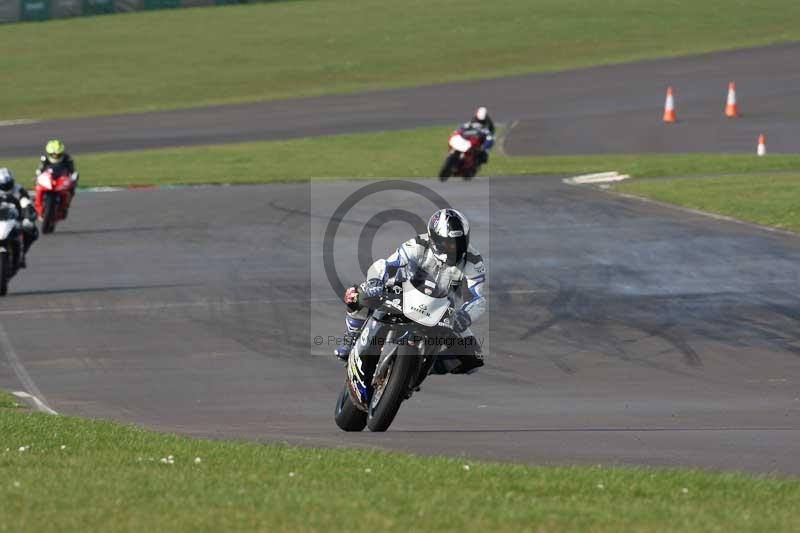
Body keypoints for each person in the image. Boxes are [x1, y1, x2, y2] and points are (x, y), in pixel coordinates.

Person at [335, 208, 486, 375]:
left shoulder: (473, 260)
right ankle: (350, 339)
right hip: (403, 293)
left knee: (474, 358)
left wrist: (465, 316)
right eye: (448, 243)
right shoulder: (418, 244)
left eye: (459, 242)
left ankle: (422, 369)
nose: (454, 248)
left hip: (441, 309)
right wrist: (375, 282)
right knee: (355, 294)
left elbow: (477, 298)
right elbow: (387, 264)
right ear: (434, 238)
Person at [0, 168, 38, 268]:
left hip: (15, 220)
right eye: (3, 185)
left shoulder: (18, 189)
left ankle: (22, 253)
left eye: (8, 184)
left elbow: (27, 203)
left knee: (32, 231)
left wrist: (28, 217)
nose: (6, 187)